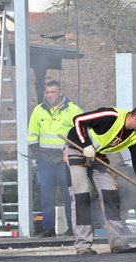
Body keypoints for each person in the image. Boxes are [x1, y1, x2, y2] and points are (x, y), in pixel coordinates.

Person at [66, 104, 136, 255]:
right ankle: (83, 245)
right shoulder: (111, 116)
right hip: (77, 149)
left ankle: (118, 242)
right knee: (81, 196)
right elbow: (78, 120)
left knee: (111, 196)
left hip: (98, 157)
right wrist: (86, 145)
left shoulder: (135, 137)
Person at [27, 80, 82, 237]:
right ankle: (48, 228)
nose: (50, 95)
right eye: (48, 92)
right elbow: (32, 134)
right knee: (46, 195)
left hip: (64, 159)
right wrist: (37, 154)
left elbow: (80, 132)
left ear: (60, 92)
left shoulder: (74, 110)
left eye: (53, 92)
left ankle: (73, 227)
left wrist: (72, 152)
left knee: (68, 194)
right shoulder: (39, 110)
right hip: (44, 159)